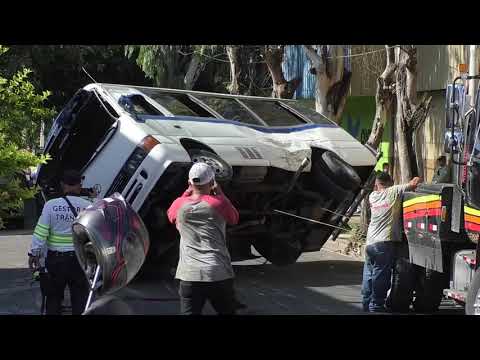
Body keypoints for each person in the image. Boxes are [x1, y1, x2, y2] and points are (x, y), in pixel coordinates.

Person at [167, 162, 240, 315]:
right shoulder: (219, 203)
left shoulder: (178, 204)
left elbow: (171, 215)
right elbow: (234, 218)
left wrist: (186, 193)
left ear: (189, 183)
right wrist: (221, 194)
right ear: (212, 182)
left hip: (189, 275)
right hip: (218, 273)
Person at [28, 169, 96, 315]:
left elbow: (40, 232)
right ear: (79, 185)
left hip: (56, 262)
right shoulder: (88, 206)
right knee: (80, 300)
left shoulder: (51, 205)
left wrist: (33, 254)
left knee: (53, 298)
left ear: (63, 185)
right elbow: (93, 235)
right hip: (79, 261)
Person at [361, 171, 422, 313]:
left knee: (368, 273)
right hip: (384, 242)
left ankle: (366, 303)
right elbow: (415, 183)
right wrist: (417, 178)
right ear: (389, 183)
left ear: (376, 184)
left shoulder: (372, 196)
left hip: (370, 242)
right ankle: (376, 306)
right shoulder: (392, 191)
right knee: (381, 275)